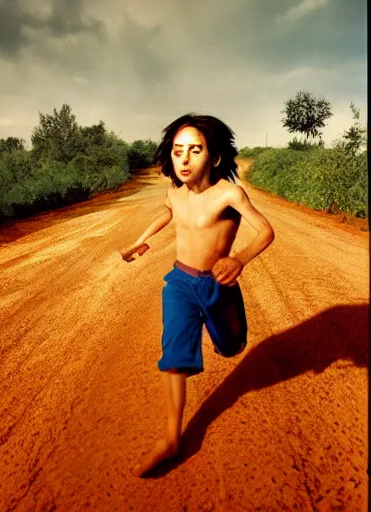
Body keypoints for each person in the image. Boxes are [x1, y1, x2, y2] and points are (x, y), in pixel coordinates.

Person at [120, 114, 275, 477]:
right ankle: (172, 439)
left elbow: (266, 231)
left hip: (217, 286)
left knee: (231, 347)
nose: (184, 159)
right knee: (173, 354)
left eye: (194, 150)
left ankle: (229, 334)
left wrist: (238, 259)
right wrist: (141, 241)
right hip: (180, 282)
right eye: (177, 151)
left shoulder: (229, 194)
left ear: (215, 157)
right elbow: (167, 214)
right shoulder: (174, 192)